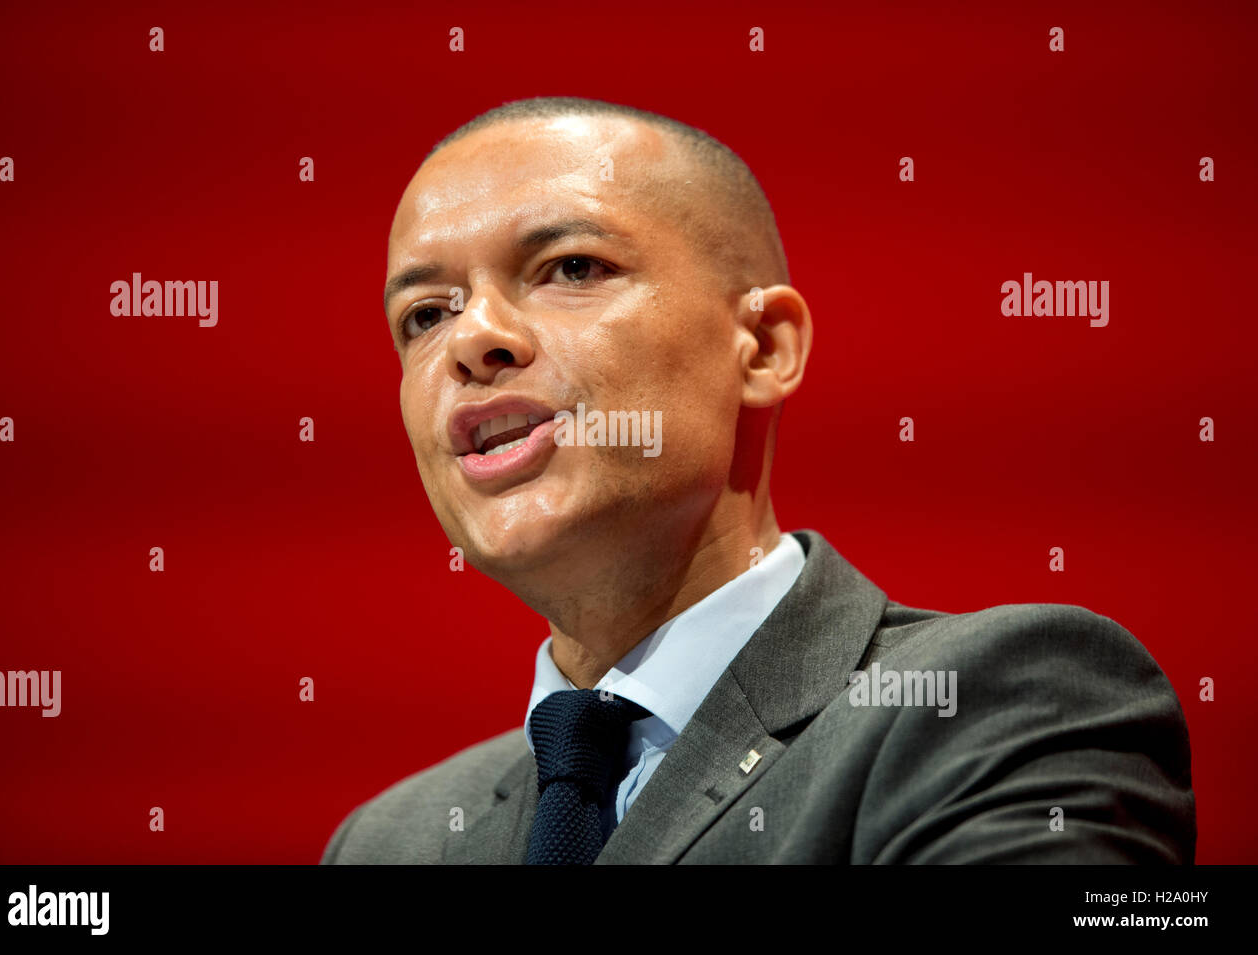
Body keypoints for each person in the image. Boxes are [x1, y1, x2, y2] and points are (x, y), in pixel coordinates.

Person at [322, 97, 1195, 864]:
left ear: (766, 346)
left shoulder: (993, 702)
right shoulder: (390, 841)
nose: (475, 338)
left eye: (573, 268)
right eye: (425, 314)